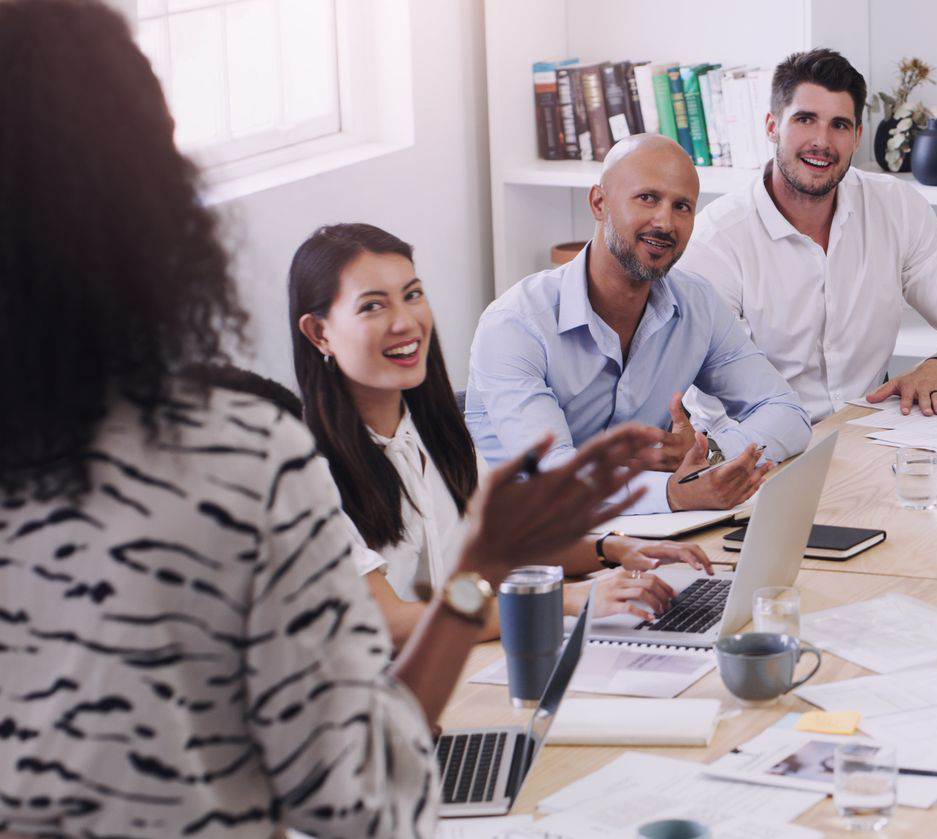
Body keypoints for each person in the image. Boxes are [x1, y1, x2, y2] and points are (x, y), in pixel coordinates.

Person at [0, 4, 657, 839]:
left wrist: (582, 556)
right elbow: (371, 794)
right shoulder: (238, 453)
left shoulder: (403, 430)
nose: (406, 321)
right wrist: (479, 582)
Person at [291, 223, 712, 646]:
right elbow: (391, 623)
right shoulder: (304, 477)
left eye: (412, 295)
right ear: (319, 333)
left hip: (461, 664)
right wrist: (569, 599)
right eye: (372, 307)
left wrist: (613, 549)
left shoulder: (434, 435)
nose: (405, 322)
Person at [464, 133, 812, 513]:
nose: (665, 222)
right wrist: (671, 494)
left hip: (651, 536)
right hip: (532, 549)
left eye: (682, 207)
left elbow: (788, 414)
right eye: (647, 198)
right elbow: (553, 478)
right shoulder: (515, 325)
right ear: (599, 203)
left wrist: (709, 451)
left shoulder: (697, 304)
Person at [682, 48, 937, 423]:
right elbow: (718, 405)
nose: (822, 141)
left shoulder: (895, 206)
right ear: (772, 126)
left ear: (856, 137)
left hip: (868, 437)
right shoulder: (717, 240)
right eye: (805, 119)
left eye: (838, 125)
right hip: (756, 452)